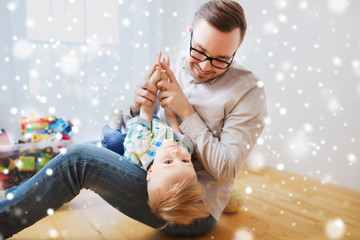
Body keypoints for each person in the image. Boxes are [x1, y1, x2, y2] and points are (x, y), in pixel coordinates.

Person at [0, 0, 267, 238]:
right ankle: (13, 203)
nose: (205, 66)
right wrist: (137, 105)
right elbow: (140, 135)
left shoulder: (248, 91)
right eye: (199, 51)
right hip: (149, 167)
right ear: (190, 33)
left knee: (78, 160)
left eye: (221, 60)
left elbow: (226, 169)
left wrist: (186, 111)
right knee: (78, 150)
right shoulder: (175, 65)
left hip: (186, 207)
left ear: (237, 50)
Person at [123, 53, 210, 224]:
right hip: (159, 127)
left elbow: (147, 109)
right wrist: (168, 95)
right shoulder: (182, 149)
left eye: (168, 163)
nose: (177, 153)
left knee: (111, 139)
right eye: (186, 162)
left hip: (136, 131)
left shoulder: (140, 146)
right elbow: (172, 121)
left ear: (150, 172)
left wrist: (157, 76)